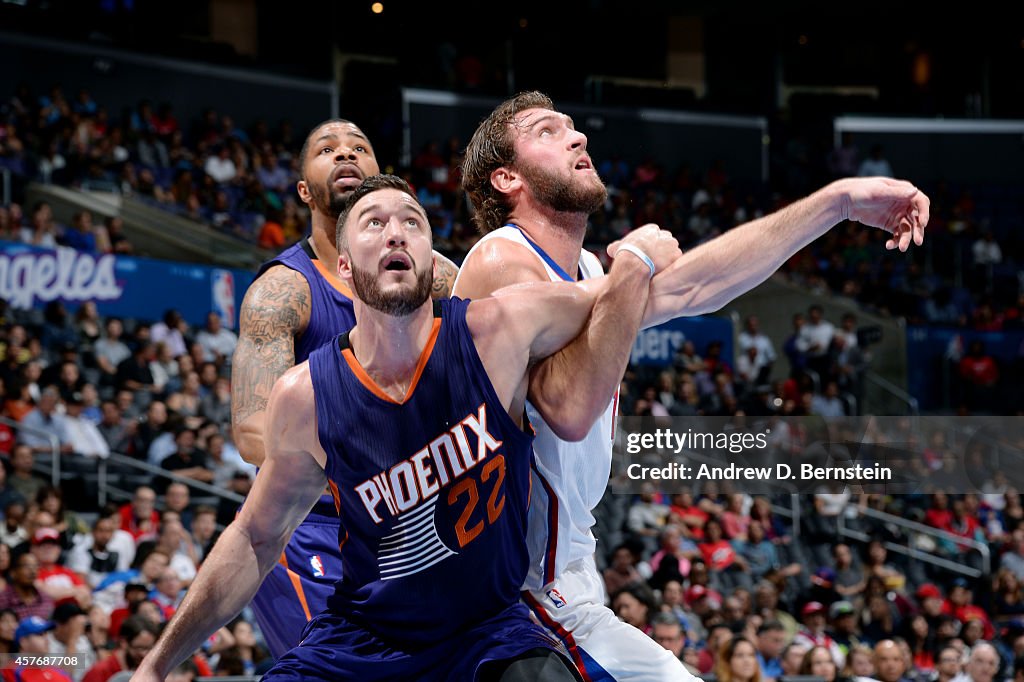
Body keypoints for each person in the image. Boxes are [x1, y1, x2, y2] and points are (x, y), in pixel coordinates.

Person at [455, 90, 928, 680]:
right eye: (548, 131)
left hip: (567, 574)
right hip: (518, 592)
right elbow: (568, 409)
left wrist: (838, 202)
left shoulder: (590, 274)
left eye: (574, 127)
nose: (578, 138)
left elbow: (700, 287)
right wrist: (633, 263)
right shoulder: (500, 259)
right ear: (506, 178)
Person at [139, 174, 678, 681]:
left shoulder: (497, 330)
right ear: (344, 267)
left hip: (487, 634)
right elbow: (255, 537)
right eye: (374, 222)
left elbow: (636, 299)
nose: (396, 230)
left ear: (433, 261)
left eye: (412, 222)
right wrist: (155, 666)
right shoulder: (304, 396)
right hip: (363, 643)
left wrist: (636, 259)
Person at [229, 118, 461, 657]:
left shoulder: (440, 277)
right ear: (304, 190)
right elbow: (251, 431)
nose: (345, 154)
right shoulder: (283, 291)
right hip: (313, 527)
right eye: (327, 150)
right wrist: (361, 463)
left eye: (359, 147)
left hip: (414, 520)